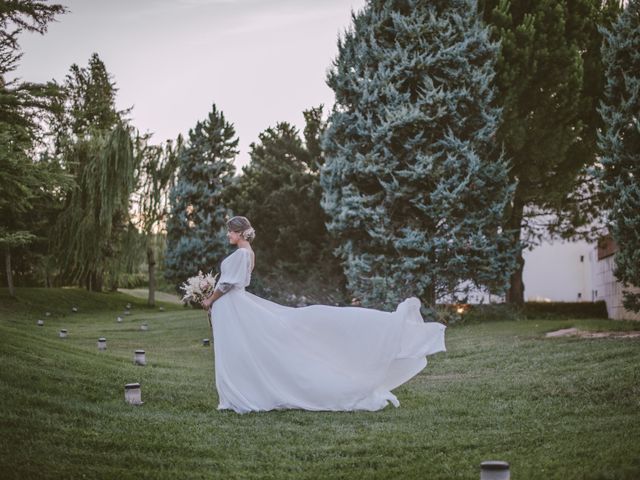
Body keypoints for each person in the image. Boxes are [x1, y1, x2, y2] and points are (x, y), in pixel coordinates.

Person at [201, 216, 446, 414]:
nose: (228, 235)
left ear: (240, 232)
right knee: (244, 349)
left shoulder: (242, 254)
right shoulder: (248, 253)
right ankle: (240, 393)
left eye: (230, 231)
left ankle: (244, 395)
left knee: (250, 348)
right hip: (235, 307)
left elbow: (227, 285)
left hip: (235, 305)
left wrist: (209, 299)